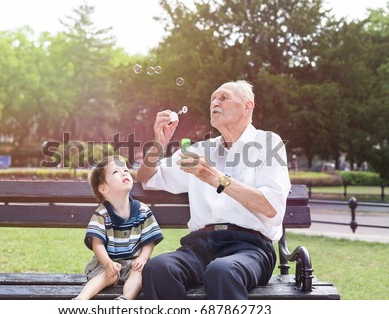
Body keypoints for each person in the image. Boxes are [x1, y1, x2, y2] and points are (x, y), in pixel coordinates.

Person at [137, 80, 291, 300]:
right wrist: (158, 144)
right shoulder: (200, 150)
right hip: (201, 245)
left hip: (250, 247)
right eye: (212, 99)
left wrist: (215, 177)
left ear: (248, 106)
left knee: (222, 271)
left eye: (223, 98)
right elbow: (146, 178)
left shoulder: (268, 143)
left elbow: (271, 208)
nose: (214, 103)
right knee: (158, 268)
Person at [74, 155, 164, 300]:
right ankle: (81, 299)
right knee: (110, 275)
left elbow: (149, 240)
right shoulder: (102, 214)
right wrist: (108, 263)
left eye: (126, 170)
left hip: (133, 262)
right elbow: (97, 244)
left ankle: (125, 299)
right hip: (106, 262)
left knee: (139, 271)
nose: (124, 173)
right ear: (104, 188)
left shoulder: (142, 210)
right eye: (116, 172)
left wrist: (142, 257)